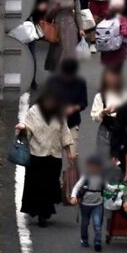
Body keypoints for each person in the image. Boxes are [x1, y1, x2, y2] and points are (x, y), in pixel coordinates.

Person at [17, 86, 76, 227]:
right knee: (37, 184)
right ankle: (40, 213)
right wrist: (22, 129)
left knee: (50, 184)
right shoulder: (33, 112)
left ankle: (45, 211)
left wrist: (68, 152)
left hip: (54, 155)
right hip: (37, 154)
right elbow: (28, 130)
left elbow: (64, 132)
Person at [43, 0, 84, 71]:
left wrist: (81, 29)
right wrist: (55, 8)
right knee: (57, 54)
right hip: (57, 26)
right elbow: (48, 16)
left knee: (69, 53)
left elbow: (78, 12)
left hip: (70, 27)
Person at [90, 67, 127, 167]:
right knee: (103, 158)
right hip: (106, 130)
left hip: (121, 130)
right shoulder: (100, 96)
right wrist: (103, 113)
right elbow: (95, 118)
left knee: (121, 158)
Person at [71, 154, 106, 251]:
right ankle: (84, 239)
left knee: (97, 223)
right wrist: (73, 196)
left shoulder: (102, 177)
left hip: (98, 204)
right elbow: (77, 187)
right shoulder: (85, 177)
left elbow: (108, 187)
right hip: (85, 204)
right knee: (85, 223)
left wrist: (116, 189)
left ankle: (97, 242)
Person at [52, 58, 89, 151]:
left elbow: (84, 102)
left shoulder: (80, 83)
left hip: (73, 122)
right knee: (55, 154)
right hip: (56, 124)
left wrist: (74, 108)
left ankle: (74, 163)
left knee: (72, 154)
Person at [95, 0, 127, 71]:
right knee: (116, 70)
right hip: (118, 50)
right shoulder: (122, 19)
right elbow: (125, 33)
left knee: (108, 69)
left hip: (105, 49)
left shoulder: (105, 19)